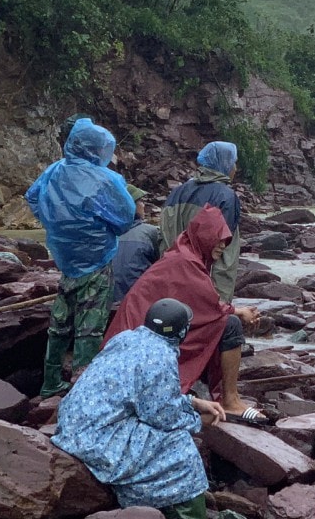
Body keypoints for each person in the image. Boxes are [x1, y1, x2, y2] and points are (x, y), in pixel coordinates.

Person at [52, 298, 232, 519]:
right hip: (96, 439)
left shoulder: (127, 338)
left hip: (73, 424)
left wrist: (192, 402)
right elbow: (161, 416)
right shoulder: (160, 356)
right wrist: (195, 421)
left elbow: (144, 393)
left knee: (159, 433)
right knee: (178, 444)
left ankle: (165, 512)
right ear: (181, 332)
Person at [105, 206, 264, 419]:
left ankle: (211, 393)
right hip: (142, 338)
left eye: (225, 241)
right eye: (218, 239)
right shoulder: (186, 261)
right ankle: (230, 400)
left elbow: (202, 304)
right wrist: (238, 312)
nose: (222, 246)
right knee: (229, 325)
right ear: (204, 236)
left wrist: (235, 310)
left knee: (220, 324)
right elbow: (209, 307)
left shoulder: (184, 254)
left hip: (139, 334)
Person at [27, 118, 137, 397]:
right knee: (91, 323)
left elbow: (33, 198)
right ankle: (83, 384)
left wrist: (56, 223)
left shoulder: (54, 171)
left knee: (60, 319)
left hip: (66, 257)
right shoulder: (105, 179)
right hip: (98, 258)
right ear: (98, 150)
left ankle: (50, 380)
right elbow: (125, 219)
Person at [160, 142, 242, 303]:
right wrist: (221, 303)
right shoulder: (226, 196)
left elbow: (164, 238)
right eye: (234, 163)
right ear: (224, 164)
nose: (235, 169)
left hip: (169, 280)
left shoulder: (177, 192)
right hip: (201, 284)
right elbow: (225, 253)